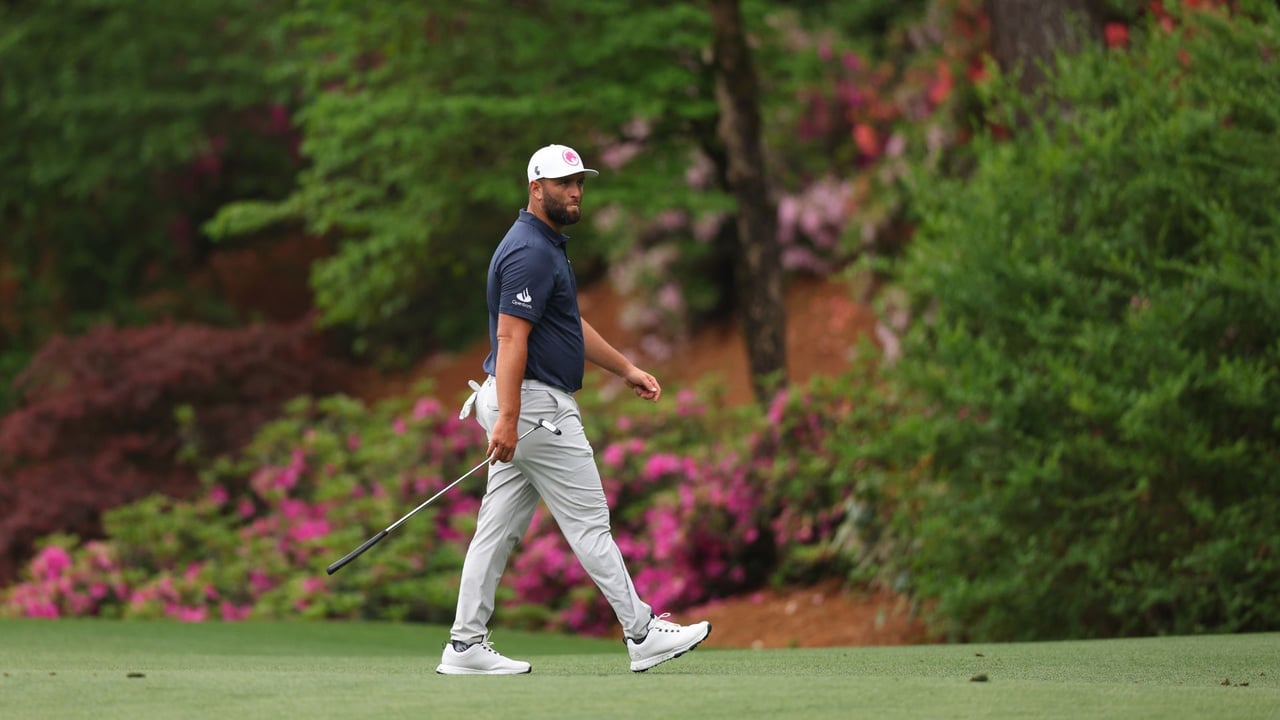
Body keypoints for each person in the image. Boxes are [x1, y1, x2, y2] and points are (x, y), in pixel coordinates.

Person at [436, 144, 711, 675]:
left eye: (579, 181)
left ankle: (465, 645)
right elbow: (512, 337)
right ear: (535, 188)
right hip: (536, 406)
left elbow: (567, 326)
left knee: (496, 528)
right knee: (589, 523)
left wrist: (626, 368)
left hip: (523, 403)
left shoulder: (543, 246)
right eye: (563, 183)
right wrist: (512, 418)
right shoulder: (531, 252)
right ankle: (641, 631)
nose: (575, 191)